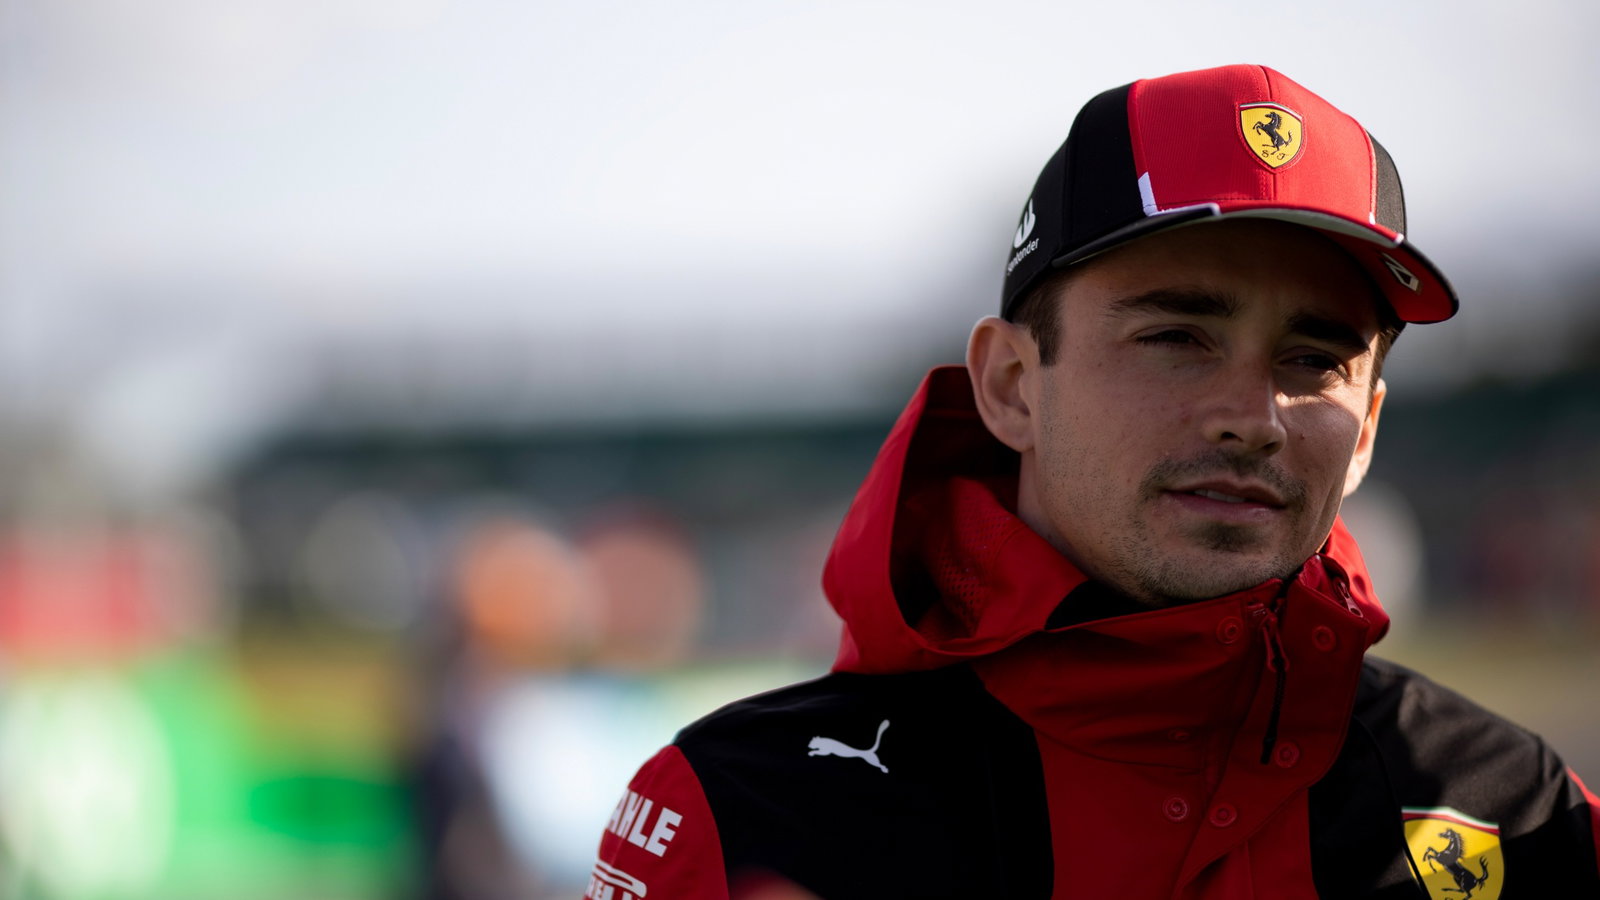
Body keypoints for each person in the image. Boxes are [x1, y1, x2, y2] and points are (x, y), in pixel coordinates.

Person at [585, 64, 1600, 899]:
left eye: (1312, 361)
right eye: (1175, 338)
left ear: (1368, 425)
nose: (1250, 417)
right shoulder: (742, 817)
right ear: (1011, 385)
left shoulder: (1521, 815)